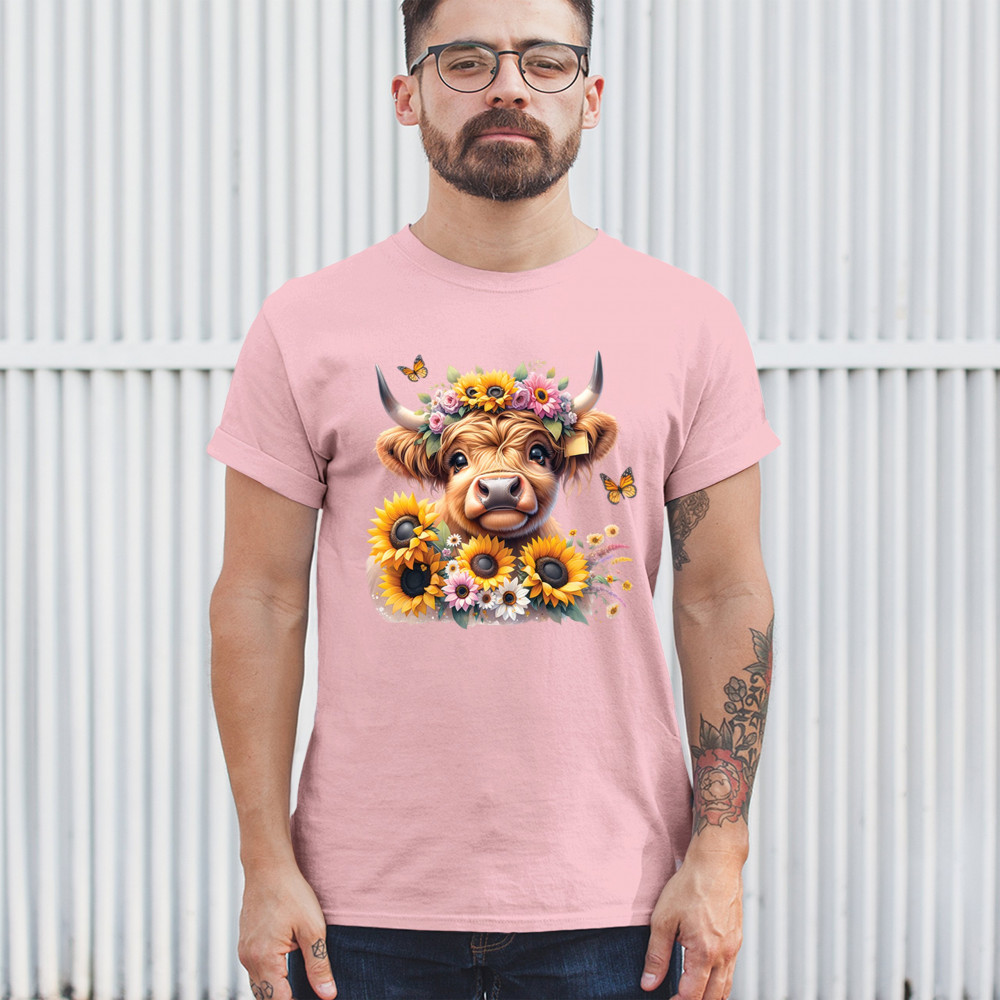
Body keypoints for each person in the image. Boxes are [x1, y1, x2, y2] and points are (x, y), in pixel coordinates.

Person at [206, 0, 779, 997]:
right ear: (406, 95)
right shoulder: (304, 323)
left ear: (590, 96)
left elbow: (722, 594)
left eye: (545, 61)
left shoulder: (689, 323)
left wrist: (720, 850)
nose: (508, 86)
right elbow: (259, 597)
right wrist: (265, 862)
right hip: (358, 906)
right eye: (465, 60)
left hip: (617, 902)